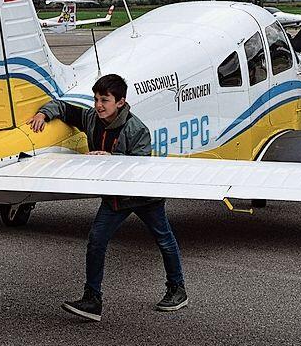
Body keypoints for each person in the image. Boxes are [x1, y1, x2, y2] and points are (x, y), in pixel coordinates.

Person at [27, 74, 187, 321]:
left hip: (144, 196)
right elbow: (64, 107)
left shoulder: (137, 129)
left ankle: (177, 290)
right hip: (114, 198)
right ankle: (92, 300)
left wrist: (111, 158)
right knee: (96, 241)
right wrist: (44, 114)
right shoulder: (91, 117)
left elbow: (140, 167)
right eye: (96, 99)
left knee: (164, 239)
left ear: (120, 102)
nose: (99, 105)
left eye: (105, 100)